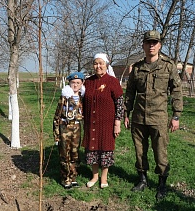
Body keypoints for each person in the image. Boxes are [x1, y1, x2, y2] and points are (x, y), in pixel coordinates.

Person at [124, 30, 183, 200]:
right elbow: (130, 93)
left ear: (159, 45)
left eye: (155, 42)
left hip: (158, 117)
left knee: (160, 152)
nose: (151, 45)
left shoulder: (168, 66)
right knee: (139, 151)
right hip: (139, 117)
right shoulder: (137, 68)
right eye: (148, 42)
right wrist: (126, 113)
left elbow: (177, 91)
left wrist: (176, 115)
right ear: (143, 45)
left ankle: (162, 183)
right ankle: (142, 179)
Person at [82, 53, 124, 189]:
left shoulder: (112, 81)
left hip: (107, 123)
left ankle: (104, 178)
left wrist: (117, 123)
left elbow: (119, 103)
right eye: (95, 63)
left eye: (101, 63)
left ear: (106, 65)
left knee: (105, 149)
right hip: (91, 122)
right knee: (92, 149)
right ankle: (94, 176)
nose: (98, 66)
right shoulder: (88, 82)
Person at [53, 72, 85, 189]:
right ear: (69, 83)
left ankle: (73, 176)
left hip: (76, 128)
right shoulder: (65, 97)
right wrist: (56, 134)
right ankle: (65, 178)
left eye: (78, 83)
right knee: (64, 154)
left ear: (82, 84)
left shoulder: (82, 97)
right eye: (73, 82)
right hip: (65, 128)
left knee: (75, 153)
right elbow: (57, 116)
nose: (75, 85)